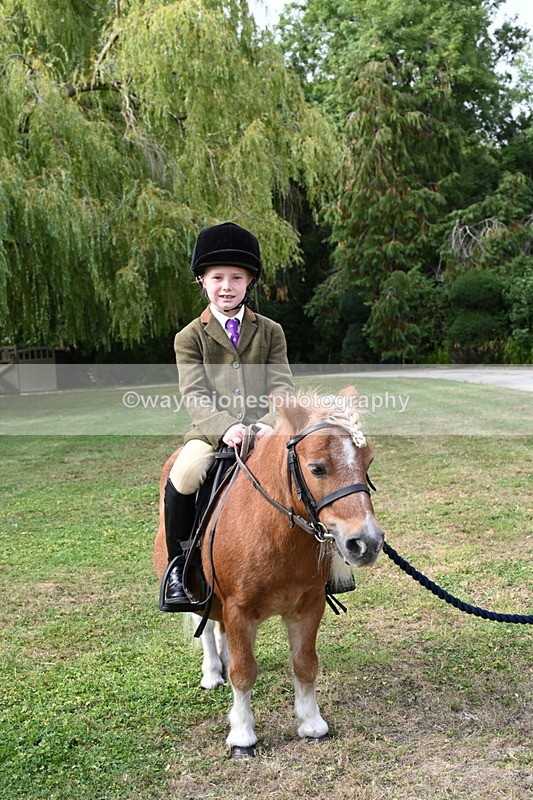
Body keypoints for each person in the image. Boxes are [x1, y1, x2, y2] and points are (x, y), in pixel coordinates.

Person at [160, 221, 294, 609]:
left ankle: (330, 567)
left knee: (310, 469)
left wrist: (268, 426)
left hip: (266, 430)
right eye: (217, 277)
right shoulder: (189, 337)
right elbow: (195, 395)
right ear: (202, 280)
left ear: (249, 281)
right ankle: (178, 567)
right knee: (183, 475)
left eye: (236, 277)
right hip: (211, 433)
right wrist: (227, 428)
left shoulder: (270, 332)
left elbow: (283, 387)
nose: (226, 286)